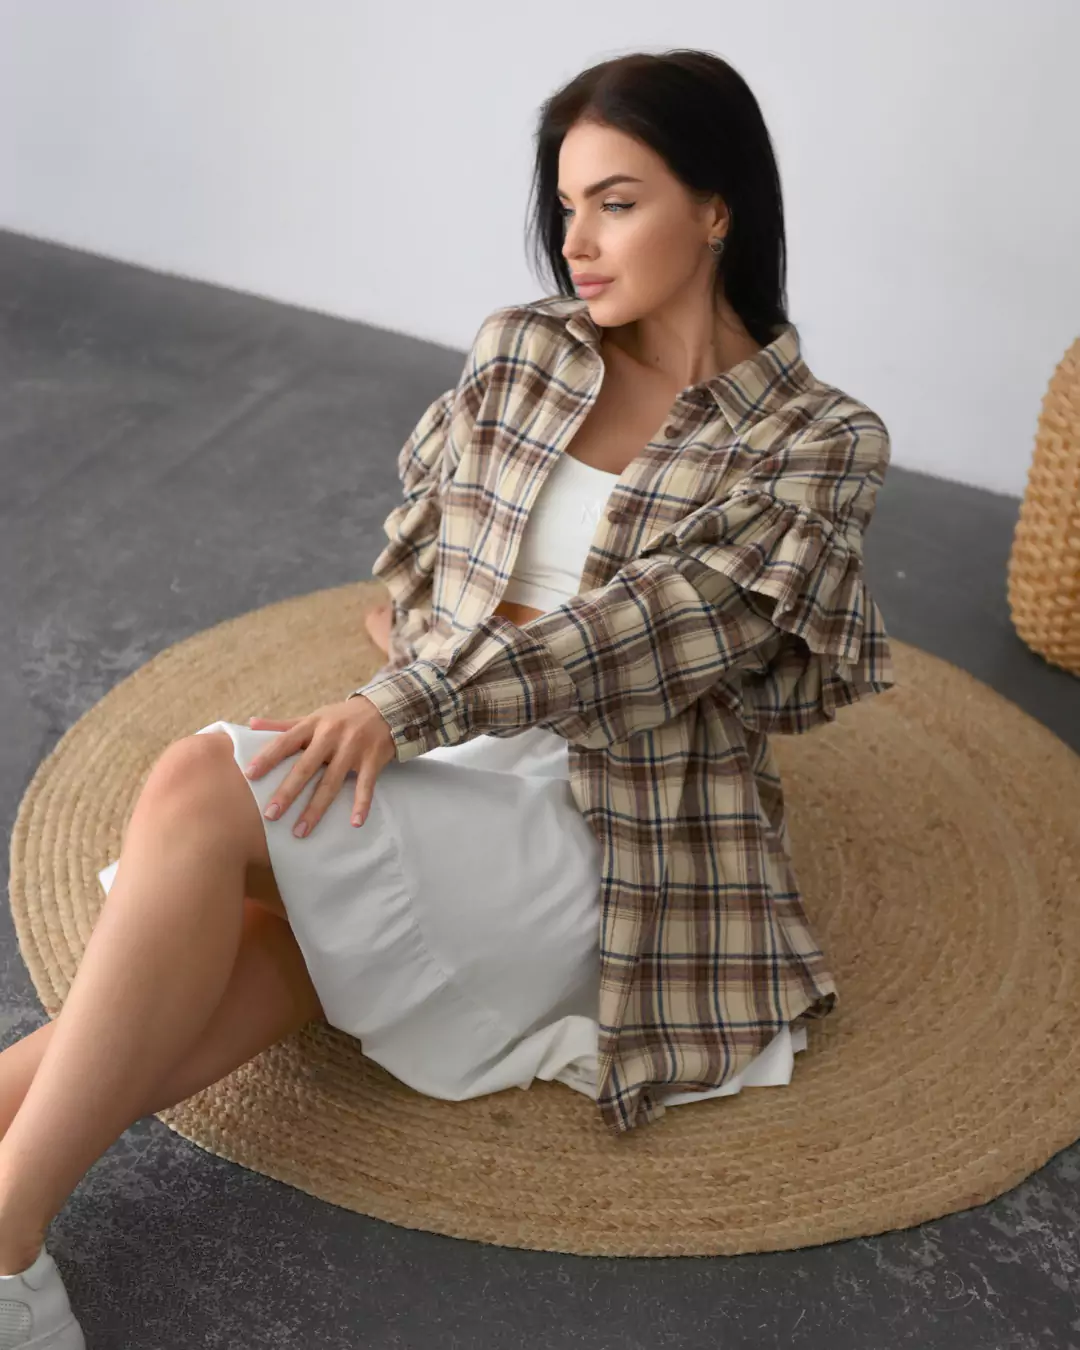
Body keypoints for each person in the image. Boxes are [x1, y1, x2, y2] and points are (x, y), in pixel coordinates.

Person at [0, 47, 895, 1344]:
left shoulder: (817, 442)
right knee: (259, 941)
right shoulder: (524, 351)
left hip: (606, 825)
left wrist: (414, 692)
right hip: (453, 748)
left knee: (200, 785)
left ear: (717, 208)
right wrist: (424, 657)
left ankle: (10, 1241)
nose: (576, 242)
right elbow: (426, 551)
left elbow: (646, 635)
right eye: (568, 204)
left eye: (619, 202)